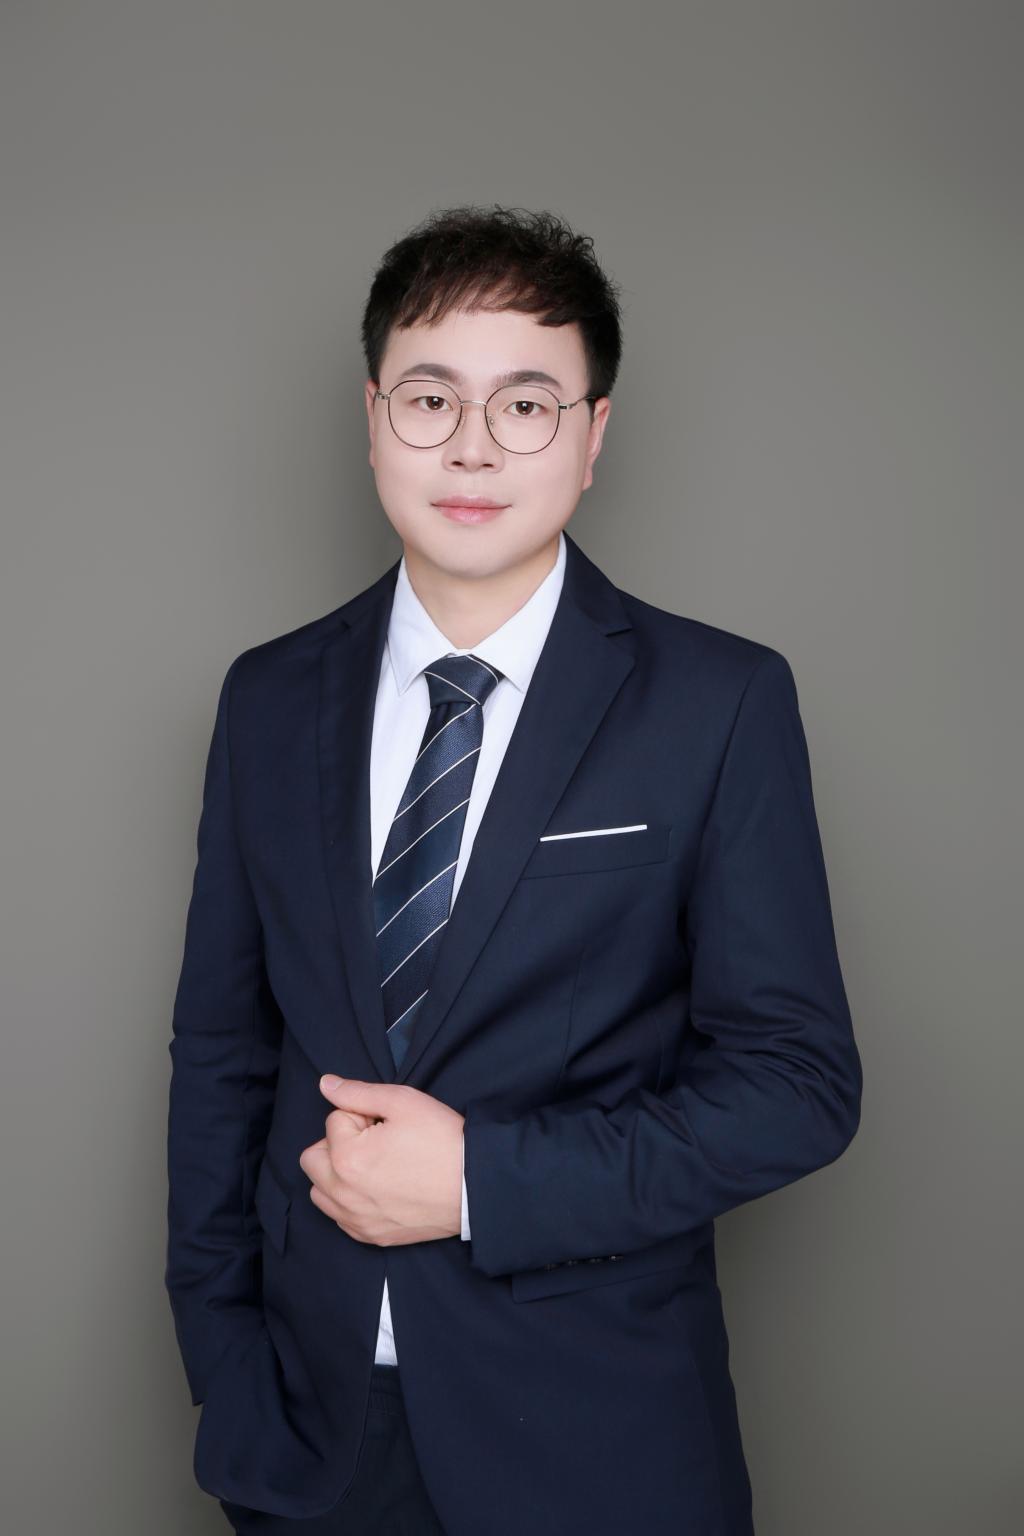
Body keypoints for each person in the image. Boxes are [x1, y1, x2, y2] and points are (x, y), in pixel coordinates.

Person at [165, 204, 862, 1536]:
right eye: (431, 398)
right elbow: (222, 1052)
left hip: (595, 1436)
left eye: (527, 404)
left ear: (593, 437)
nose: (473, 445)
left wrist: (483, 1180)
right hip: (306, 1439)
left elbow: (798, 1086)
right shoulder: (267, 698)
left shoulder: (717, 702)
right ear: (374, 420)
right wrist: (223, 1365)